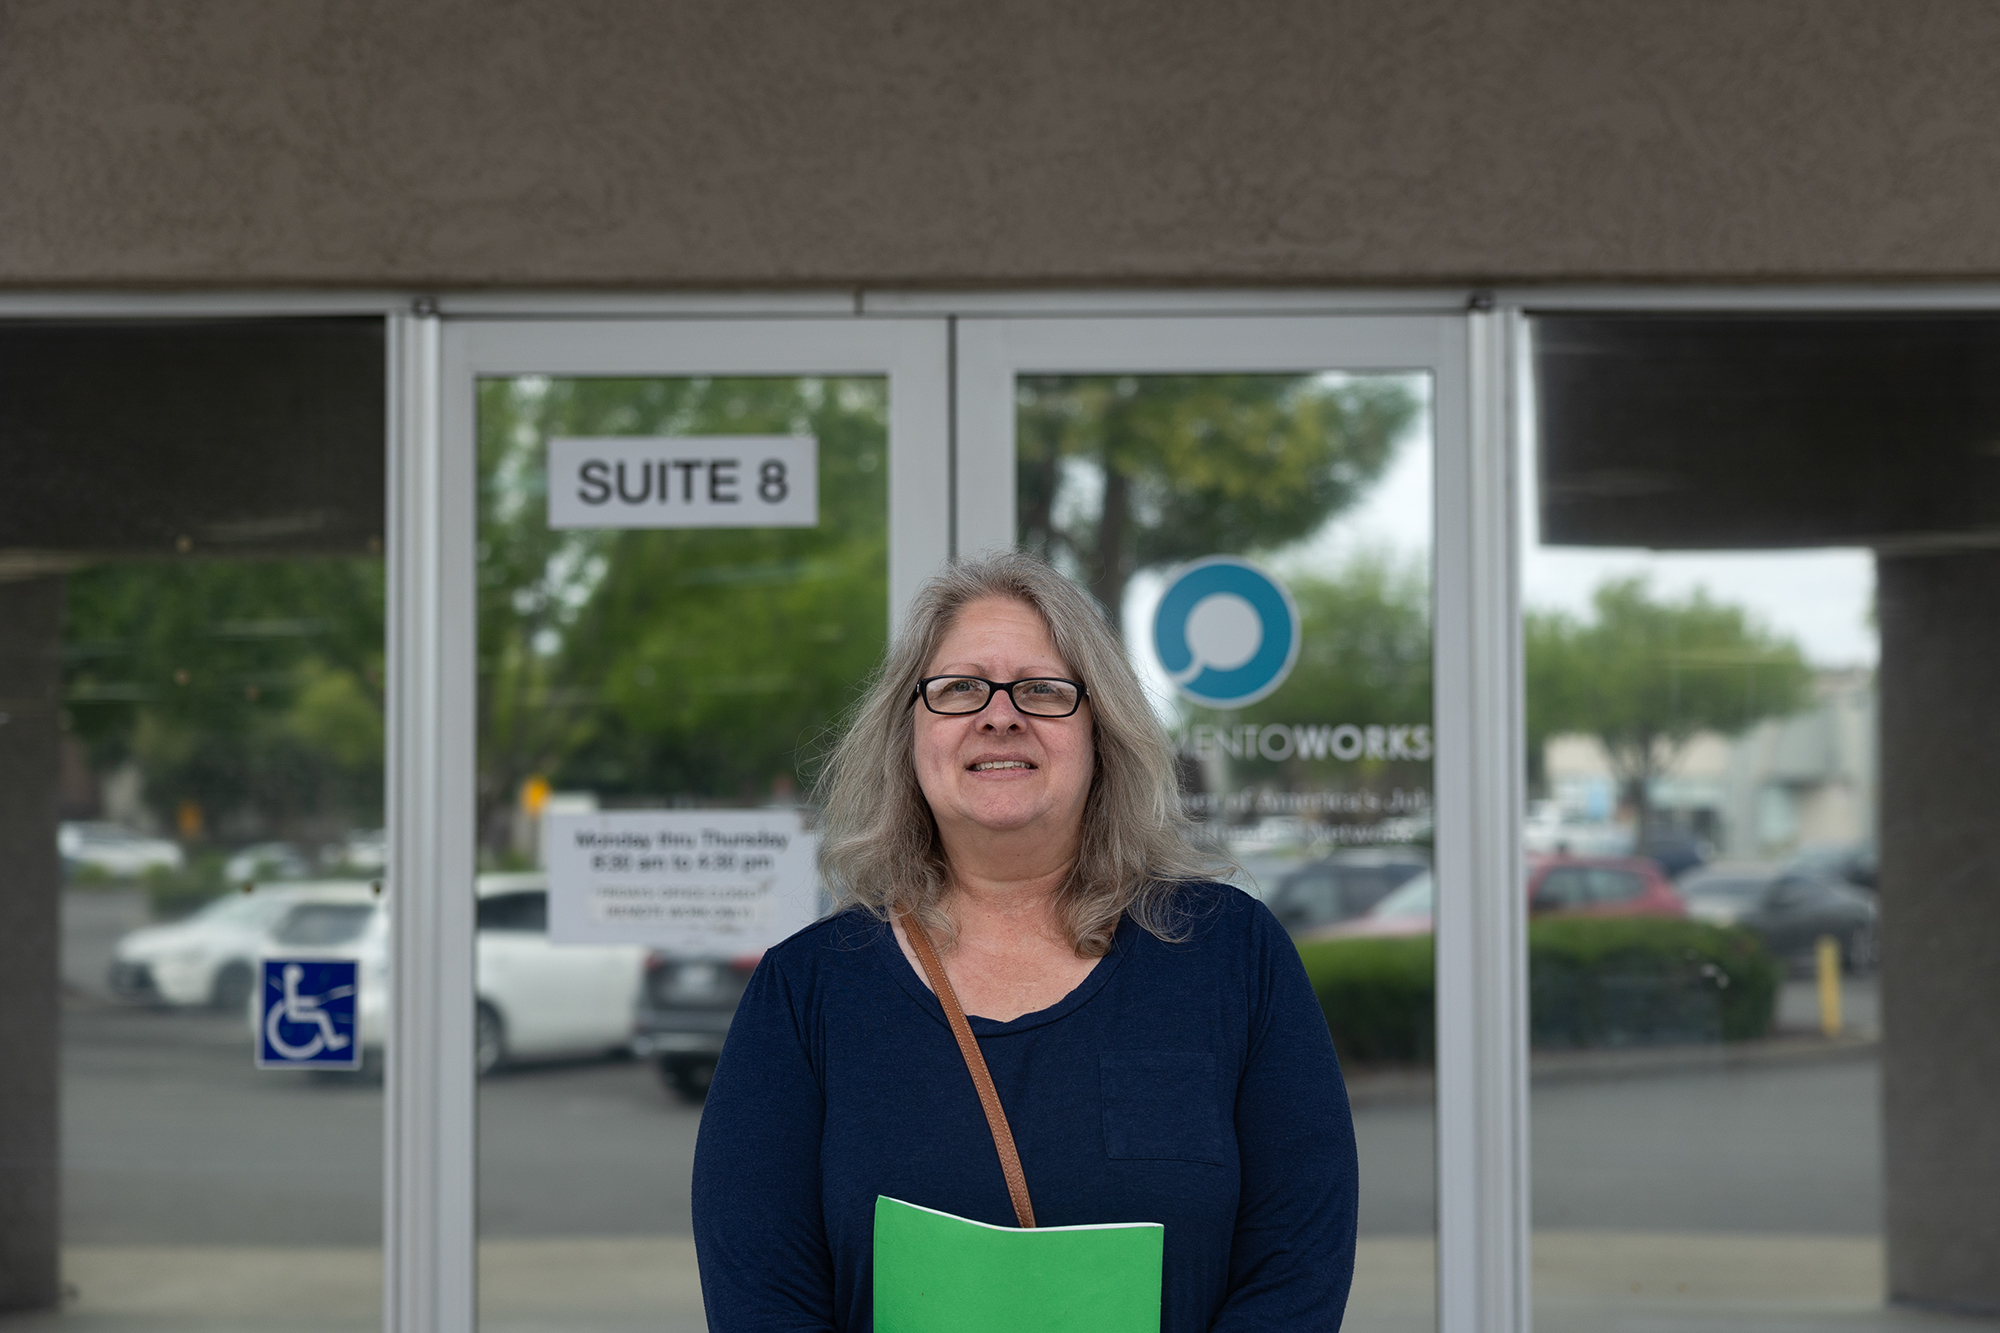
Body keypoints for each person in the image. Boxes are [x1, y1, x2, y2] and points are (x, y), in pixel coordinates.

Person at [692, 550, 1357, 1332]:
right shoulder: (805, 993)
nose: (999, 713)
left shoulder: (1231, 957)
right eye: (959, 688)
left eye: (1042, 689)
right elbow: (761, 1293)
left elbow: (1298, 1259)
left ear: (1101, 731)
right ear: (908, 734)